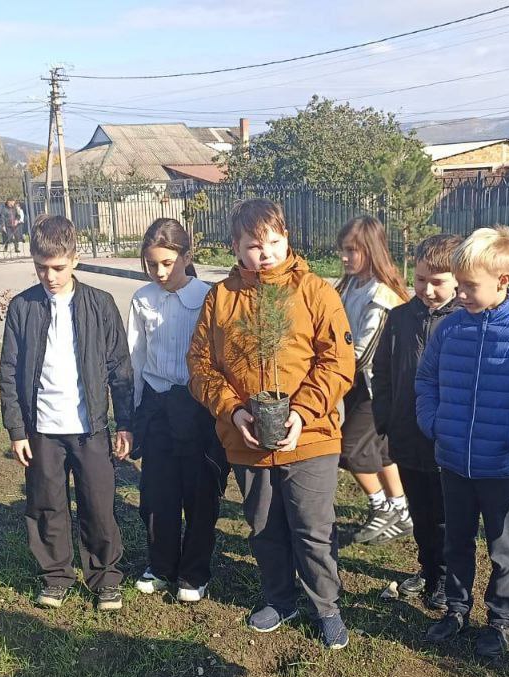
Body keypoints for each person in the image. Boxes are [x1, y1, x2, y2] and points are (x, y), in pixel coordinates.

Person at [188, 199, 356, 650]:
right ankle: (280, 599)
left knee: (312, 527)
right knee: (264, 526)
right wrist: (233, 410)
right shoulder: (220, 298)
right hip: (247, 438)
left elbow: (338, 363)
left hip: (312, 435)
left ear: (288, 240)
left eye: (274, 242)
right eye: (253, 245)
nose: (266, 253)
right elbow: (201, 366)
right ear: (236, 247)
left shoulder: (315, 292)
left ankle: (326, 607)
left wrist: (301, 412)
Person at [415, 226, 509, 660]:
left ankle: (499, 621)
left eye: (469, 286)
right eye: (458, 285)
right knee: (457, 540)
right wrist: (434, 422)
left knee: (503, 548)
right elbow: (426, 379)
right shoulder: (450, 329)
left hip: (499, 466)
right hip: (453, 460)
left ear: (502, 280)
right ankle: (456, 609)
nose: (460, 294)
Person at [0, 214, 134, 611]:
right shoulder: (23, 307)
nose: (50, 276)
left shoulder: (100, 304)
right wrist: (16, 430)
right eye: (41, 267)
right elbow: (9, 370)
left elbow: (120, 368)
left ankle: (105, 577)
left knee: (98, 504)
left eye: (58, 267)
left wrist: (125, 423)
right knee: (46, 505)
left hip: (90, 429)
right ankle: (55, 575)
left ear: (74, 258)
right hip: (42, 429)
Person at [127, 218, 226, 603]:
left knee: (199, 493)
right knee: (157, 493)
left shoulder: (208, 297)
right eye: (152, 264)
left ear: (186, 256)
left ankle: (194, 573)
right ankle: (161, 565)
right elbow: (136, 358)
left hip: (198, 408)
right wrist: (133, 415)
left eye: (168, 263)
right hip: (157, 407)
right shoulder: (142, 299)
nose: (160, 272)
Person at [372, 233, 462, 612]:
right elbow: (382, 372)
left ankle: (446, 577)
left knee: (444, 516)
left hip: (447, 440)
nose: (426, 289)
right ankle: (428, 567)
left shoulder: (465, 321)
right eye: (420, 279)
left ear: (458, 279)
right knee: (420, 512)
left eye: (437, 281)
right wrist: (385, 419)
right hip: (406, 434)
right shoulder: (399, 318)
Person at [334, 216, 410, 545]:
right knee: (380, 451)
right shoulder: (349, 285)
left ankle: (381, 506)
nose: (344, 257)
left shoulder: (382, 295)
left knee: (349, 449)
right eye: (342, 249)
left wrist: (326, 372)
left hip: (374, 387)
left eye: (352, 250)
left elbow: (363, 353)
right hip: (353, 383)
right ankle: (401, 511)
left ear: (372, 250)